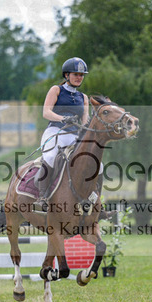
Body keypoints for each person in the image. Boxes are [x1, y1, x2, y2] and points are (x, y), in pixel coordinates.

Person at [33, 57, 90, 212]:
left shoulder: (83, 98)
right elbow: (46, 112)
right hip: (55, 132)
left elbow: (85, 121)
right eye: (76, 74)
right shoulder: (56, 90)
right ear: (66, 75)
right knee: (51, 156)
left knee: (94, 163)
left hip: (73, 136)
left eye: (81, 75)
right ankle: (42, 197)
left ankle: (94, 199)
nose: (79, 77)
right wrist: (63, 118)